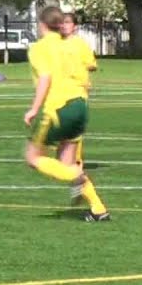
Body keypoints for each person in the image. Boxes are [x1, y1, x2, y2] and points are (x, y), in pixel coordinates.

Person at [24, 6, 110, 222]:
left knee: (33, 157)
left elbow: (45, 78)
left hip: (58, 106)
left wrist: (34, 108)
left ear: (41, 24)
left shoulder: (40, 48)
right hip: (79, 105)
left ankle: (76, 177)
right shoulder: (71, 46)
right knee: (67, 161)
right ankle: (98, 208)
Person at [60, 12, 98, 191]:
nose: (64, 25)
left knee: (72, 137)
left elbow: (92, 64)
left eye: (68, 23)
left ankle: (77, 173)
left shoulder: (80, 44)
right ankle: (73, 170)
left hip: (77, 95)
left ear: (74, 26)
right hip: (60, 95)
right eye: (62, 23)